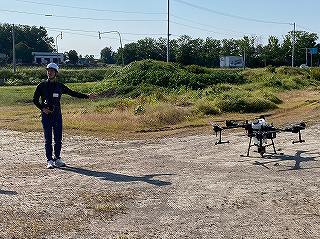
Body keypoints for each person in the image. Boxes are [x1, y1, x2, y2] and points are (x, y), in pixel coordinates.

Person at [33, 63, 96, 169]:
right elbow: (34, 100)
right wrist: (43, 108)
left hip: (57, 116)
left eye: (52, 71)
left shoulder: (60, 86)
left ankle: (57, 158)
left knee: (58, 139)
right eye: (48, 70)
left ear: (56, 73)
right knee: (48, 139)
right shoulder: (41, 85)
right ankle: (49, 160)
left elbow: (72, 93)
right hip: (46, 116)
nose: (49, 72)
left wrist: (87, 96)